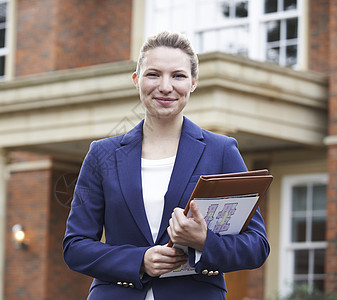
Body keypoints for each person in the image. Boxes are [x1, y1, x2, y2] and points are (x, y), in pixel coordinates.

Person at [63, 31, 270, 299]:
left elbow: (256, 246)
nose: (165, 86)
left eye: (178, 76)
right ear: (136, 80)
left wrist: (204, 241)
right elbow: (75, 247)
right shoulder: (102, 154)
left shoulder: (221, 151)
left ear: (193, 82)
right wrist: (139, 260)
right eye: (153, 74)